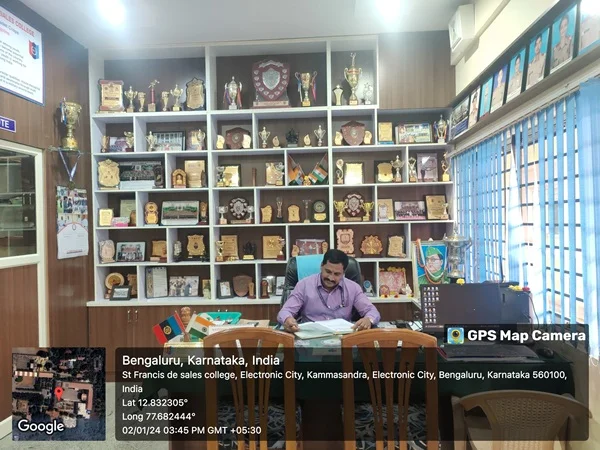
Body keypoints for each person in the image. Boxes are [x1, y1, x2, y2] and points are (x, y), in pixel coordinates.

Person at [278, 249, 380, 332]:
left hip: (343, 337)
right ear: (321, 266)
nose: (331, 278)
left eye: (337, 274)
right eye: (328, 271)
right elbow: (285, 311)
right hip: (311, 337)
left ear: (343, 272)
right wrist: (287, 319)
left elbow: (372, 312)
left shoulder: (353, 288)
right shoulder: (304, 285)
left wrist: (368, 320)